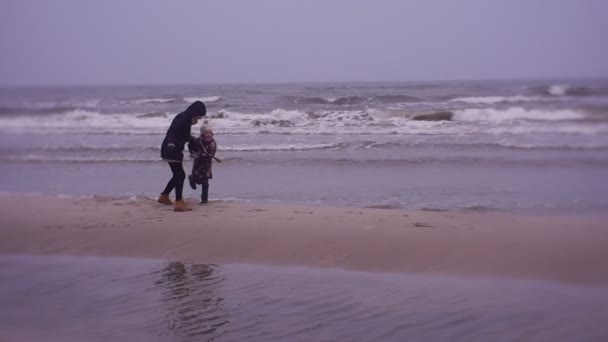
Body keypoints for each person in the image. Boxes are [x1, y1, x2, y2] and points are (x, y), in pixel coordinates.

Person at [158, 101, 206, 211]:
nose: (198, 119)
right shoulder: (182, 119)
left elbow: (183, 135)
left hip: (173, 149)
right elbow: (172, 133)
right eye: (198, 116)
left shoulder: (186, 119)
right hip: (171, 149)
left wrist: (192, 139)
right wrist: (171, 143)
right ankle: (179, 202)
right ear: (195, 112)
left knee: (177, 175)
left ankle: (164, 196)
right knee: (180, 175)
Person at [187, 123, 218, 204]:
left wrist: (204, 155)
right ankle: (192, 179)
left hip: (206, 164)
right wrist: (193, 153)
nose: (208, 135)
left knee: (205, 181)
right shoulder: (197, 141)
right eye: (206, 133)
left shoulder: (213, 143)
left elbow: (211, 155)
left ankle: (204, 199)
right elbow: (190, 146)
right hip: (198, 163)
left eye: (209, 133)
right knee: (197, 178)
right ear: (202, 133)